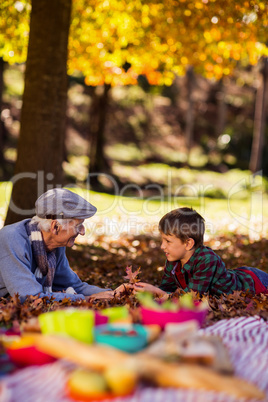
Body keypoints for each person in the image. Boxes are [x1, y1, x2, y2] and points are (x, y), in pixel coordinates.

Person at [0, 188, 115, 302]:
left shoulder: (55, 248)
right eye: (78, 225)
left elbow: (75, 286)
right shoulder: (13, 239)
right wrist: (87, 299)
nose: (82, 232)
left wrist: (113, 294)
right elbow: (30, 297)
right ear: (55, 227)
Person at [132, 207, 268, 298]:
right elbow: (167, 289)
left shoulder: (207, 259)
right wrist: (144, 290)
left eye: (168, 241)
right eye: (162, 240)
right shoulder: (173, 259)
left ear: (188, 243)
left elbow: (192, 298)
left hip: (255, 282)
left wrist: (159, 293)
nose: (162, 246)